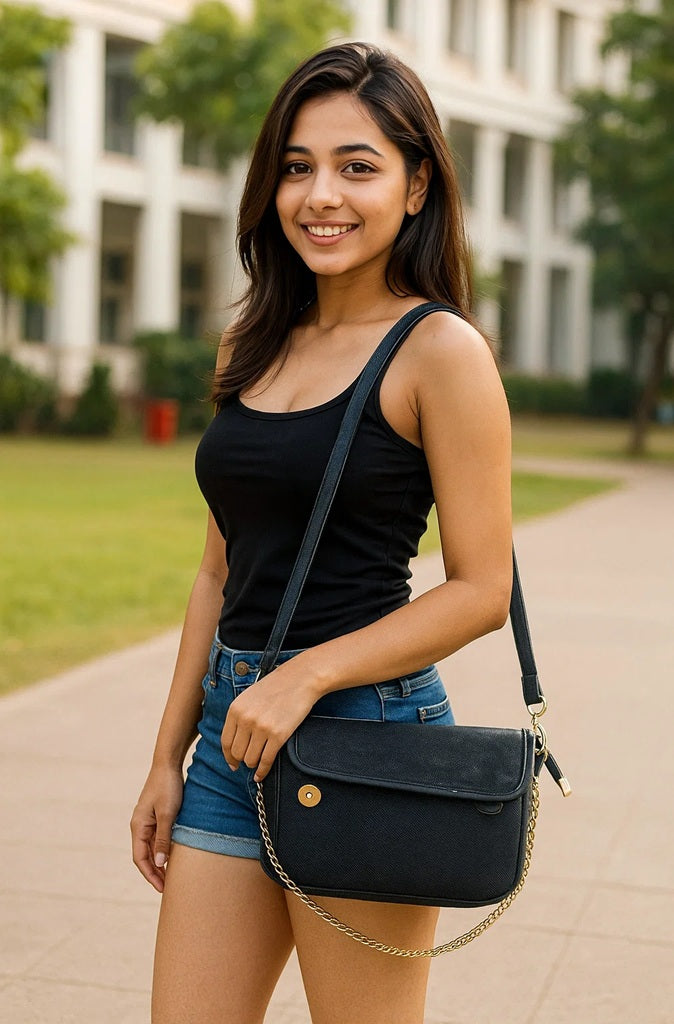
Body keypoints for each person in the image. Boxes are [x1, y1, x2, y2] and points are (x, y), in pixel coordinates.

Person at [131, 41, 512, 1024]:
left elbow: (481, 588)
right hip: (231, 741)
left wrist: (302, 675)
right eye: (296, 166)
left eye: (356, 165)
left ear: (416, 183)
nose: (318, 195)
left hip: (362, 738)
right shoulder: (252, 336)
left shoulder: (439, 351)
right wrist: (169, 753)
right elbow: (218, 569)